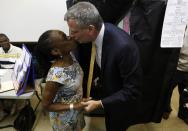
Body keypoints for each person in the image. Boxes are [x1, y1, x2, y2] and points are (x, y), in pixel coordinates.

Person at [64, 2, 143, 131]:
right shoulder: (102, 31)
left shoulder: (123, 48)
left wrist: (99, 103)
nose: (71, 36)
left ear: (90, 29)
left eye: (74, 32)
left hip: (121, 105)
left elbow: (133, 91)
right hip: (111, 95)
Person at [35, 30, 88, 131]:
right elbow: (46, 105)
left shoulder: (71, 56)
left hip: (77, 111)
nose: (70, 37)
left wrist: (78, 103)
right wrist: (74, 105)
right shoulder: (56, 74)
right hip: (64, 121)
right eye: (65, 38)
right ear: (55, 51)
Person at [162, 25, 188, 124]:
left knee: (186, 94)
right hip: (175, 68)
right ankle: (165, 109)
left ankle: (184, 114)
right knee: (167, 90)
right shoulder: (180, 27)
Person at [0, 33, 23, 121]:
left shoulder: (18, 51)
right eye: (1, 42)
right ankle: (2, 111)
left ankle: (14, 103)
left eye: (5, 41)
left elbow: (22, 67)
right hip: (3, 73)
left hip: (15, 74)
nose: (3, 43)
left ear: (8, 40)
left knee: (11, 87)